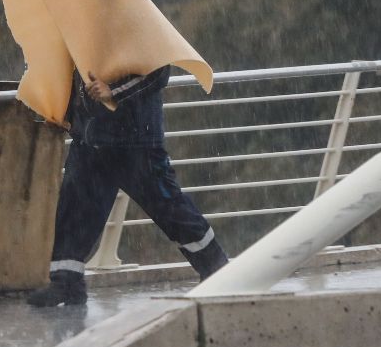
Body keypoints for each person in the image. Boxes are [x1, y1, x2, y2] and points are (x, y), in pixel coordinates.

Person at [27, 65, 229, 307]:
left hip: (136, 142)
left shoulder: (138, 26)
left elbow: (158, 70)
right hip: (90, 140)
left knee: (170, 209)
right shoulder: (81, 27)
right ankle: (65, 283)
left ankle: (218, 271)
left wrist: (113, 91)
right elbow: (73, 68)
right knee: (74, 211)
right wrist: (64, 113)